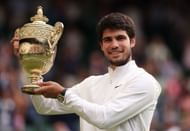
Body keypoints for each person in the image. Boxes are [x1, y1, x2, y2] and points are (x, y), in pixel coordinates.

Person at [12, 12, 161, 131]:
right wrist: (31, 63)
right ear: (101, 45)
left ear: (132, 41)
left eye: (120, 38)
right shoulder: (92, 84)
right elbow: (45, 106)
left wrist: (63, 93)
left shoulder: (145, 82)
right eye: (108, 40)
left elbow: (106, 119)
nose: (114, 45)